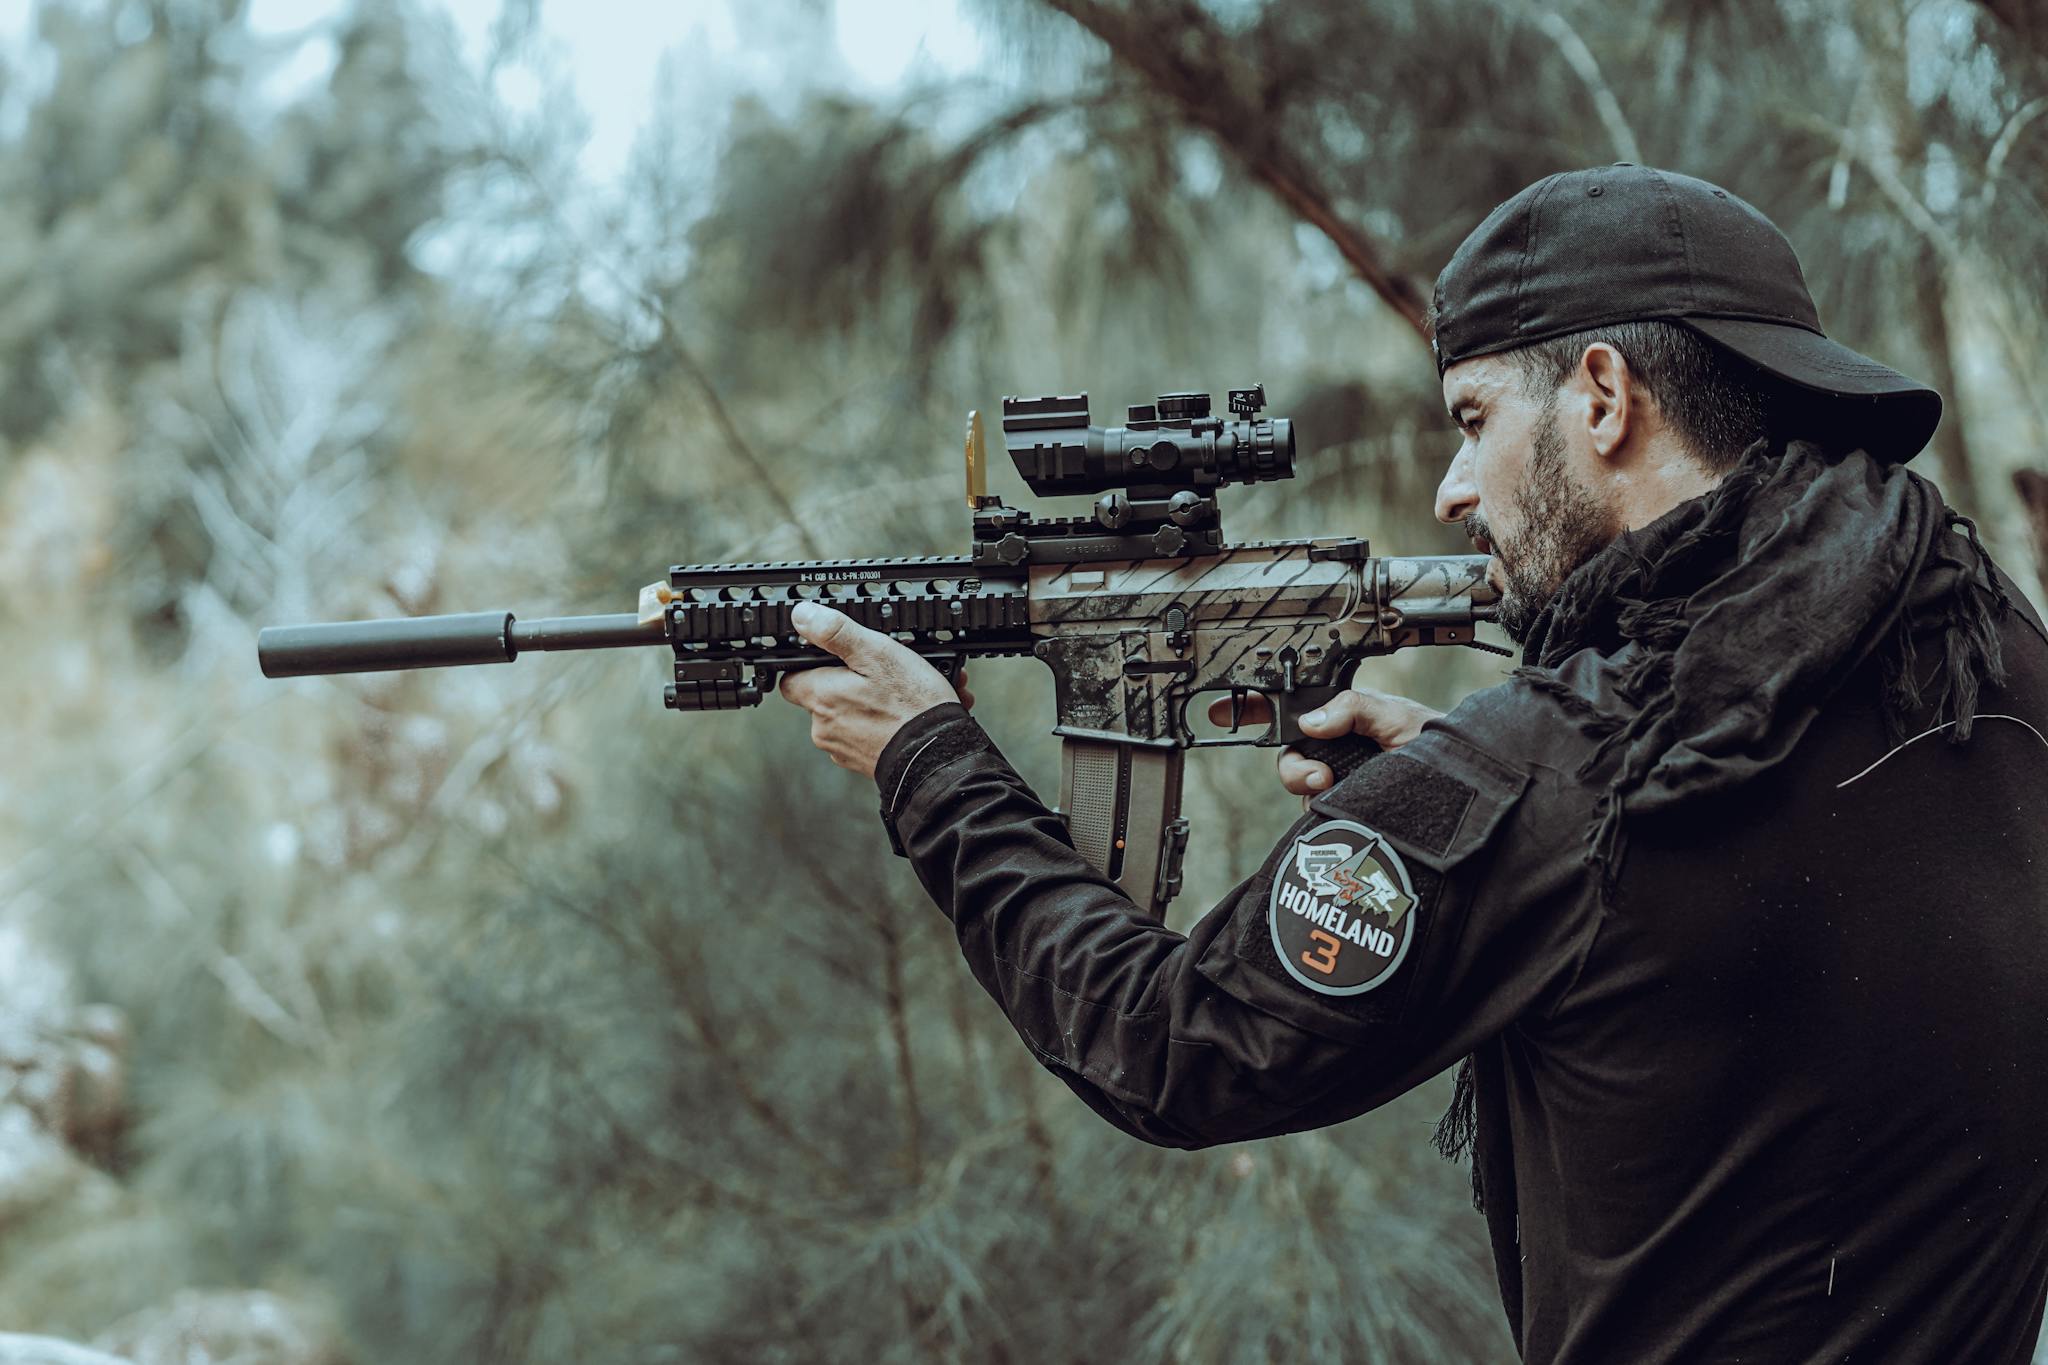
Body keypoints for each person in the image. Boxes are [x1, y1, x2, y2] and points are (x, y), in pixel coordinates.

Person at [777, 164, 2048, 1364]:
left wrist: (928, 763)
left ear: (1602, 397)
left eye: (1472, 418)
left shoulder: (1558, 779)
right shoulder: (1994, 655)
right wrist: (1467, 800)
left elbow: (1169, 1046)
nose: (1451, 488)